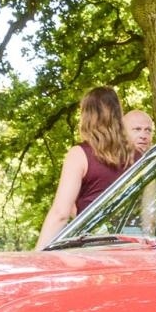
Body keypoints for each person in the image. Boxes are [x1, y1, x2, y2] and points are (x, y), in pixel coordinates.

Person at [36, 87, 135, 248]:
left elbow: (60, 214)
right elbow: (149, 217)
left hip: (95, 246)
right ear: (118, 114)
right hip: (134, 245)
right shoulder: (141, 157)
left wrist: (38, 254)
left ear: (86, 117)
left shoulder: (79, 155)